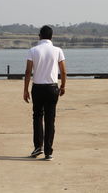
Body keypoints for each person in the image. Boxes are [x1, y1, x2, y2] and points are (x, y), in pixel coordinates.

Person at [23, 25, 67, 161]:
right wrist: (63, 86)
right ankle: (48, 151)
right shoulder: (58, 50)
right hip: (52, 88)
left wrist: (25, 90)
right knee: (50, 119)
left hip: (37, 88)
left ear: (39, 36)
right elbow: (63, 71)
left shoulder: (33, 50)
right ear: (51, 36)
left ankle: (38, 147)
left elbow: (28, 71)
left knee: (37, 117)